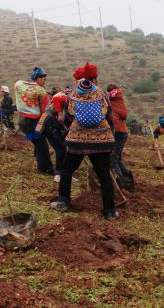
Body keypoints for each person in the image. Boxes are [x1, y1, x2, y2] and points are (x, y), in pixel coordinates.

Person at [50, 75, 117, 220]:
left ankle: (63, 201)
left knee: (67, 171)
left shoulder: (73, 95)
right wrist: (111, 140)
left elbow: (67, 115)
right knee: (104, 175)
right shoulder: (102, 94)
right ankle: (110, 211)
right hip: (101, 140)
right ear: (93, 84)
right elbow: (110, 116)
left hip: (77, 140)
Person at [14, 67, 54, 175]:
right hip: (34, 121)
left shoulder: (19, 85)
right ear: (38, 78)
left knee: (37, 143)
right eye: (43, 78)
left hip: (22, 121)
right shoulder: (40, 90)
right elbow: (45, 110)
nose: (45, 81)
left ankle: (38, 163)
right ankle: (46, 168)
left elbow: (19, 82)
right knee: (42, 145)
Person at [36, 87, 71, 181]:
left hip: (50, 123)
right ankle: (59, 174)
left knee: (62, 148)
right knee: (61, 149)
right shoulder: (66, 97)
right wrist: (59, 113)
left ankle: (63, 173)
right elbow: (56, 98)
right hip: (50, 123)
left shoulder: (67, 98)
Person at [107, 84, 134, 190]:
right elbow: (124, 116)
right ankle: (128, 177)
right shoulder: (119, 98)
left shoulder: (109, 98)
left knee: (113, 159)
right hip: (123, 133)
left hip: (116, 132)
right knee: (117, 158)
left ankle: (121, 181)